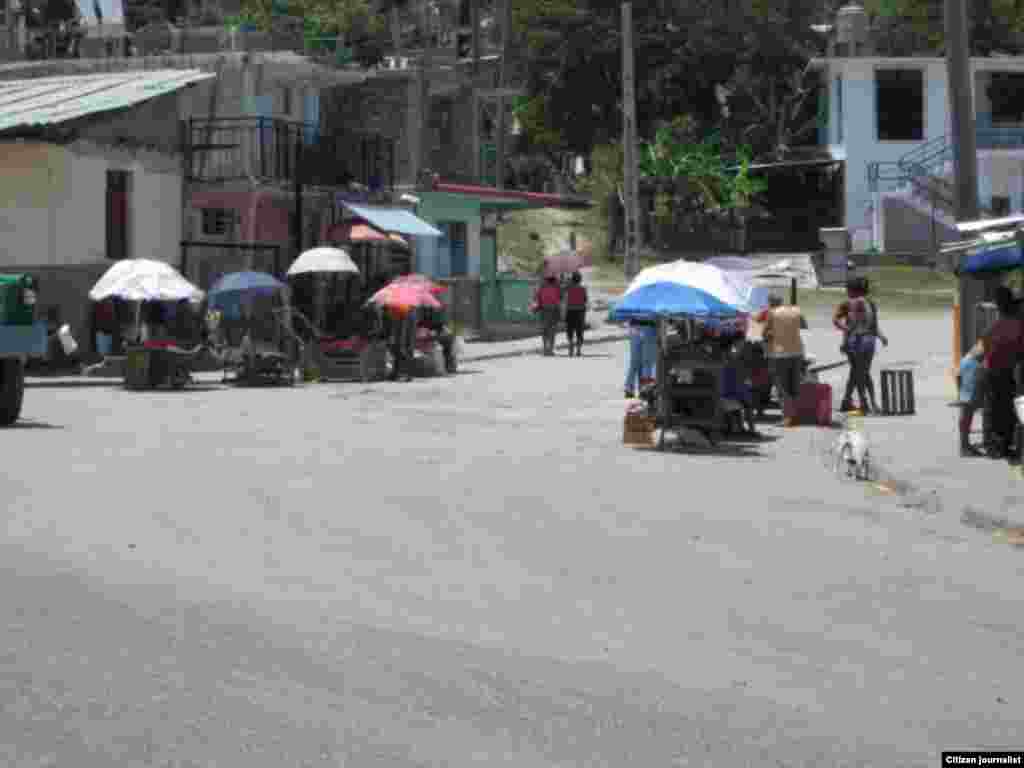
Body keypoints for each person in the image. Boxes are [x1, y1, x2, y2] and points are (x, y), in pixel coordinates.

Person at [980, 285, 1024, 458]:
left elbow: (985, 341)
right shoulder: (1015, 324)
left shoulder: (997, 325)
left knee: (995, 408)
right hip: (1006, 371)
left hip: (994, 370)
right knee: (1006, 409)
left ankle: (996, 446)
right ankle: (1003, 445)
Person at [834, 278, 885, 413]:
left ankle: (862, 402)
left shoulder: (848, 303)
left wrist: (846, 331)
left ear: (852, 290)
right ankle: (865, 402)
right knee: (860, 373)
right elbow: (874, 325)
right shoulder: (871, 303)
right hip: (869, 341)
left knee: (858, 373)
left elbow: (837, 320)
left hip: (855, 342)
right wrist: (881, 337)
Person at [756, 294, 807, 427]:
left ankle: (787, 418)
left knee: (782, 387)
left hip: (780, 354)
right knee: (794, 385)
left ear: (770, 303)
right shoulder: (796, 310)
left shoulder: (772, 313)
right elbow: (804, 325)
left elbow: (764, 334)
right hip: (797, 352)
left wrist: (772, 335)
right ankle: (797, 416)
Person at [958, 340, 987, 457]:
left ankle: (965, 446)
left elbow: (958, 376)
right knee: (966, 416)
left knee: (966, 416)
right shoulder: (974, 363)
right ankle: (964, 447)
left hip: (965, 391)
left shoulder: (966, 359)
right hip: (970, 391)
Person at [624, 320, 657, 399]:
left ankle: (629, 388)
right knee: (647, 361)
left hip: (634, 327)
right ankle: (645, 388)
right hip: (648, 326)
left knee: (635, 361)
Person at [534, 274, 562, 356]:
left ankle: (545, 349)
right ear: (554, 280)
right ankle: (550, 350)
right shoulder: (557, 287)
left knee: (544, 330)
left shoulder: (541, 287)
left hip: (544, 310)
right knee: (552, 331)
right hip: (554, 310)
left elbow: (536, 298)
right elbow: (560, 297)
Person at [564, 271, 589, 357]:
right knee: (579, 331)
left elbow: (563, 296)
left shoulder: (568, 288)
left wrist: (567, 282)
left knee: (570, 329)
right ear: (580, 280)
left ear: (572, 279)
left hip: (570, 311)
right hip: (580, 311)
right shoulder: (583, 289)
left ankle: (570, 344)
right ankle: (578, 350)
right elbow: (585, 300)